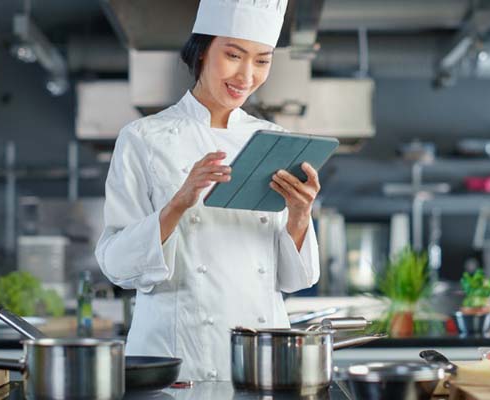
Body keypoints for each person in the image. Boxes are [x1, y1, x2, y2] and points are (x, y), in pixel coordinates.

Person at [95, 0, 321, 381]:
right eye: (233, 55)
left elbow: (295, 280)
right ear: (201, 51)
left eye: (262, 60)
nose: (246, 75)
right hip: (174, 358)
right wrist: (179, 205)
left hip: (262, 357)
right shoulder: (143, 138)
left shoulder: (275, 141)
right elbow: (116, 264)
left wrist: (300, 216)